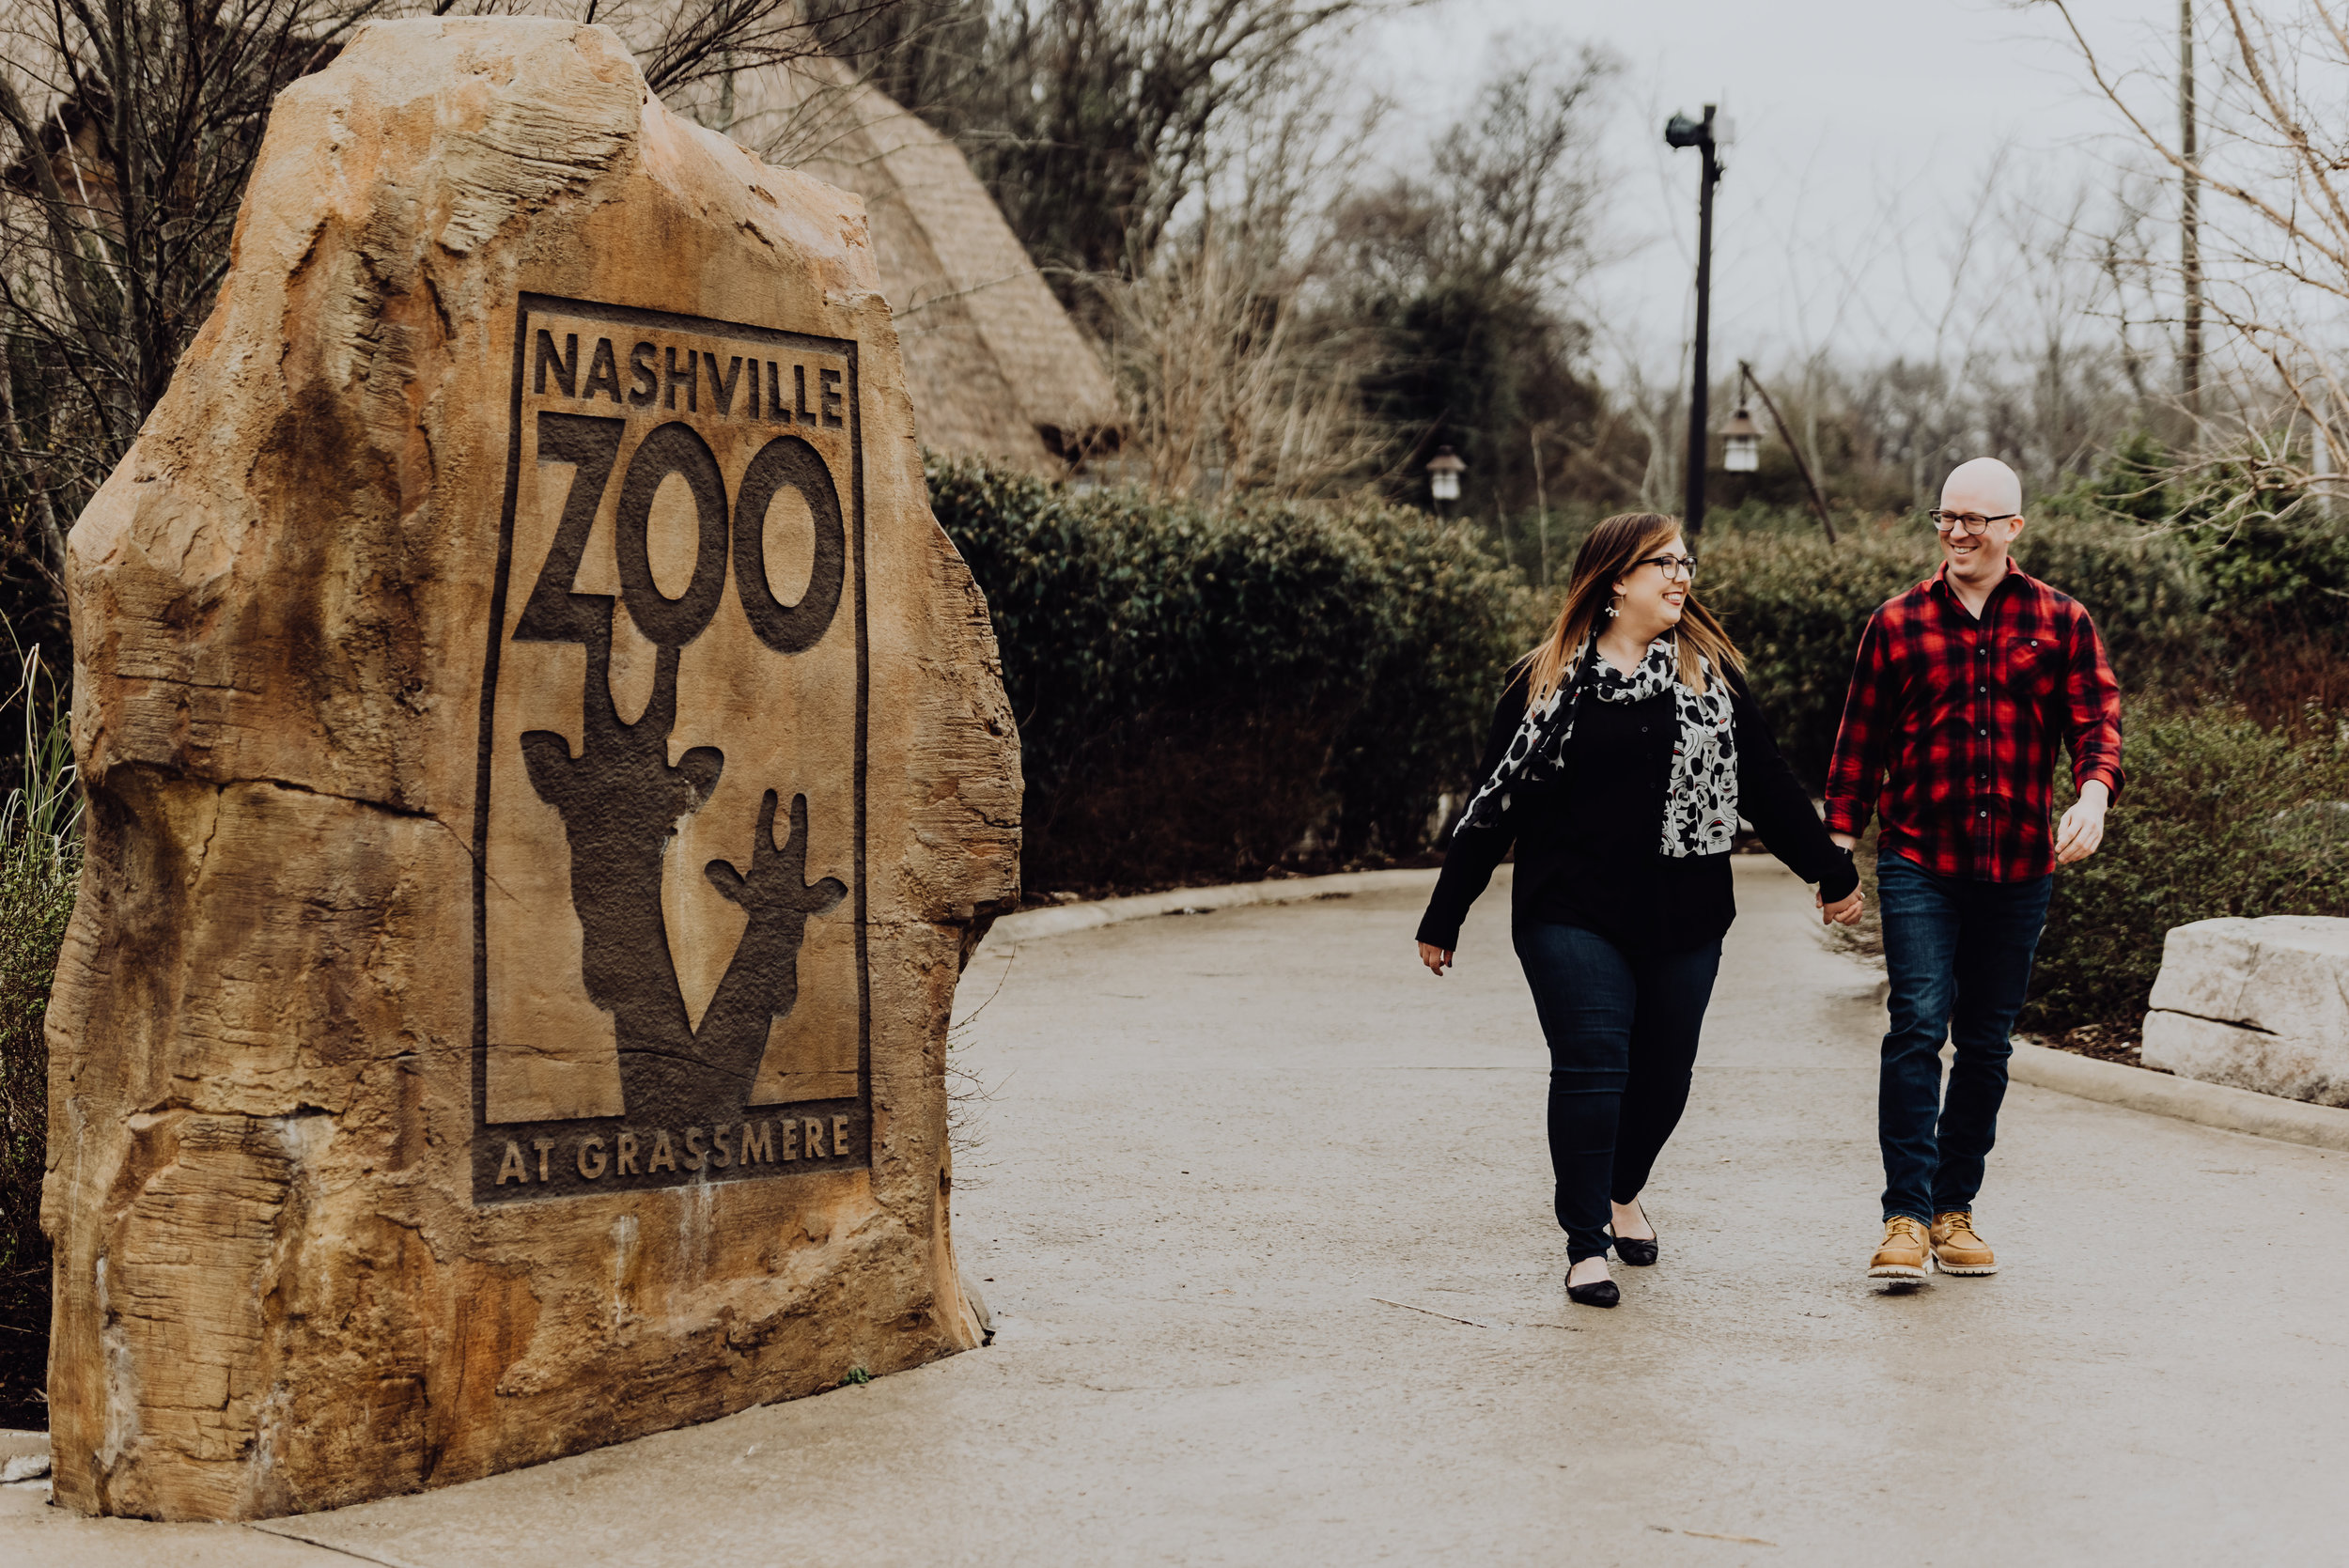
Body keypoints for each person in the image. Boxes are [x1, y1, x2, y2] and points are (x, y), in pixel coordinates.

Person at [1415, 512, 1863, 1309]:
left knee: (1664, 1080)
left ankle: (1624, 1190)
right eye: (1665, 563)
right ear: (1618, 577)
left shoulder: (1711, 678)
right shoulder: (1545, 680)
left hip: (1683, 913)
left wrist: (1829, 871)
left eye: (1687, 562)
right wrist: (1445, 913)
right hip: (1569, 911)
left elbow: (1767, 783)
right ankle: (1585, 1241)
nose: (1682, 575)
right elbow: (1495, 804)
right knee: (1593, 1066)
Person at [1824, 457, 2123, 1283]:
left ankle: (1955, 1209)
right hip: (1921, 856)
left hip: (2021, 866)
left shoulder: (2062, 620)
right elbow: (1858, 744)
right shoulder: (1895, 622)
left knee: (1986, 1041)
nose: (1958, 531)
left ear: (2013, 529)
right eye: (1947, 516)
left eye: (1977, 519)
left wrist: (2093, 796)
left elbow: (2097, 720)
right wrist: (1837, 848)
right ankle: (1905, 1218)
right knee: (1918, 1024)